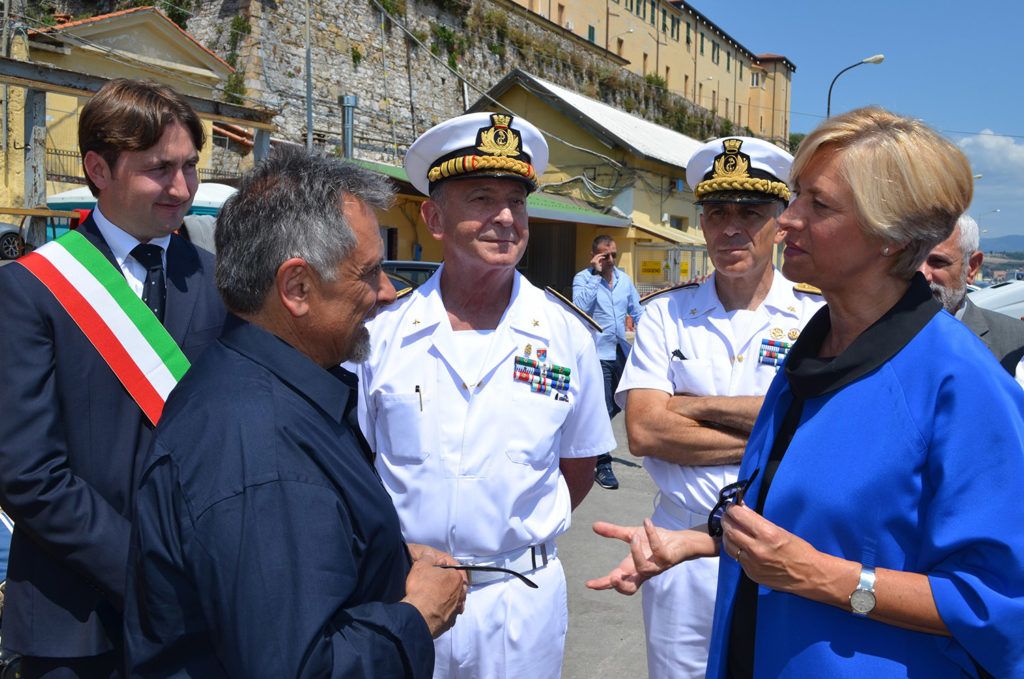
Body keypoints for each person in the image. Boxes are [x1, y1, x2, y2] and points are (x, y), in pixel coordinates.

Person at [588, 107, 1024, 678]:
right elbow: (807, 517)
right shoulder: (818, 349)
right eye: (794, 197)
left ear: (889, 237)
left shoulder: (959, 383)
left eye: (817, 205)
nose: (786, 220)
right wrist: (699, 541)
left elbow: (997, 602)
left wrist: (825, 578)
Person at [124, 149, 466, 676]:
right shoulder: (260, 443)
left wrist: (386, 560)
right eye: (369, 272)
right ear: (297, 288)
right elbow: (300, 665)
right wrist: (417, 616)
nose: (387, 292)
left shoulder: (266, 392)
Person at [357, 112, 615, 679]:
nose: (504, 217)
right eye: (480, 198)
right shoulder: (382, 334)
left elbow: (578, 465)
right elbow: (357, 463)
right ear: (433, 216)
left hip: (520, 600)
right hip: (403, 594)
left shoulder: (566, 335)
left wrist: (511, 537)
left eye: (516, 202)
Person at [0, 79, 226, 677]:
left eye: (189, 167)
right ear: (98, 168)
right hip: (73, 618)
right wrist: (145, 569)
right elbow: (27, 471)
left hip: (198, 613)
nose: (182, 189)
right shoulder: (30, 289)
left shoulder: (220, 282)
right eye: (159, 169)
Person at [614, 137, 823, 678]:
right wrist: (776, 429)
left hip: (784, 543)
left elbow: (823, 428)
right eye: (716, 212)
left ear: (780, 222)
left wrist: (692, 406)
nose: (731, 227)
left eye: (750, 213)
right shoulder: (667, 314)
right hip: (680, 547)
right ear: (702, 223)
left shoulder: (816, 317)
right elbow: (644, 432)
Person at [572, 234, 643, 490]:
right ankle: (603, 464)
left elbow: (637, 310)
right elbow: (579, 307)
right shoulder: (583, 279)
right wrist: (595, 274)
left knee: (621, 401)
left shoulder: (624, 280)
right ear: (595, 255)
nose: (611, 259)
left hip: (621, 350)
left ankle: (582, 430)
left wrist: (649, 335)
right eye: (605, 255)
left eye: (614, 254)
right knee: (602, 408)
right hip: (597, 353)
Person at [919, 214, 1024, 384]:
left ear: (972, 267)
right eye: (912, 261)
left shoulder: (1016, 345)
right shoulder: (873, 337)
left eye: (938, 262)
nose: (922, 274)